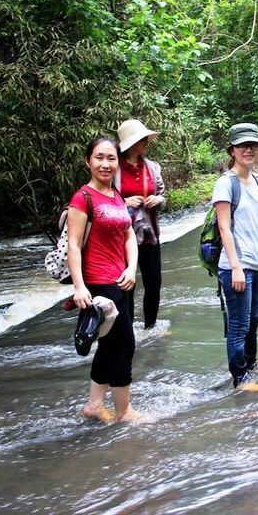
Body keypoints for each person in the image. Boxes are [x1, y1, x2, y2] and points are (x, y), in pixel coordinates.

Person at [68, 137, 141, 423]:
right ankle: (125, 411)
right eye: (99, 157)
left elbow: (129, 235)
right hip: (98, 284)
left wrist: (131, 268)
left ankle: (94, 405)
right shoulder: (82, 198)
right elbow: (74, 244)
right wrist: (79, 287)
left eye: (111, 158)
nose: (105, 164)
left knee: (110, 346)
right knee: (125, 345)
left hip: (121, 280)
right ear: (88, 161)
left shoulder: (116, 196)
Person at [213, 123, 258, 391]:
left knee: (253, 321)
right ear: (232, 150)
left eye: (253, 145)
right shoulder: (225, 183)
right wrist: (236, 267)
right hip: (235, 267)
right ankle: (239, 378)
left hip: (257, 264)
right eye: (242, 146)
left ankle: (251, 365)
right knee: (239, 325)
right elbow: (224, 227)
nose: (248, 150)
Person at [115, 119, 166, 330]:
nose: (146, 142)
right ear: (130, 143)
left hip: (149, 235)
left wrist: (159, 200)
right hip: (120, 238)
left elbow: (163, 195)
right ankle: (127, 330)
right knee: (126, 285)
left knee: (154, 283)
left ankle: (150, 328)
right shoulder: (113, 168)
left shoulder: (152, 168)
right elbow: (102, 198)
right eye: (142, 139)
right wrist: (123, 202)